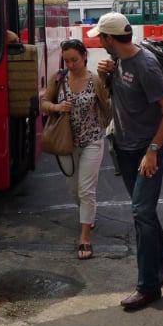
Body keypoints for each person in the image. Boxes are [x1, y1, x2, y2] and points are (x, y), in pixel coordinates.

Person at [90, 12, 163, 311]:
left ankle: (148, 287)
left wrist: (153, 149)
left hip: (145, 151)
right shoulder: (118, 63)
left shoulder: (145, 66)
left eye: (101, 38)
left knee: (141, 212)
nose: (99, 43)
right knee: (145, 213)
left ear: (111, 39)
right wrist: (104, 76)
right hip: (125, 149)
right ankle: (162, 262)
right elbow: (108, 100)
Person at [41, 39, 110, 260]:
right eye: (67, 60)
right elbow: (43, 103)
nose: (70, 64)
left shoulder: (95, 80)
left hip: (92, 140)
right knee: (73, 190)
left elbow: (107, 104)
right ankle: (87, 215)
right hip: (66, 143)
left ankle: (84, 237)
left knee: (86, 190)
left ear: (85, 56)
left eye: (75, 60)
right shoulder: (59, 79)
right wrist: (57, 107)